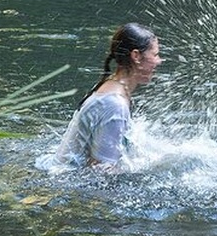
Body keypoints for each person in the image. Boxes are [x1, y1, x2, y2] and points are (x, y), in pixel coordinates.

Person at [52, 23, 162, 170]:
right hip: (65, 181)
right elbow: (101, 171)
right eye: (155, 55)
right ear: (136, 56)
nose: (158, 61)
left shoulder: (113, 87)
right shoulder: (115, 104)